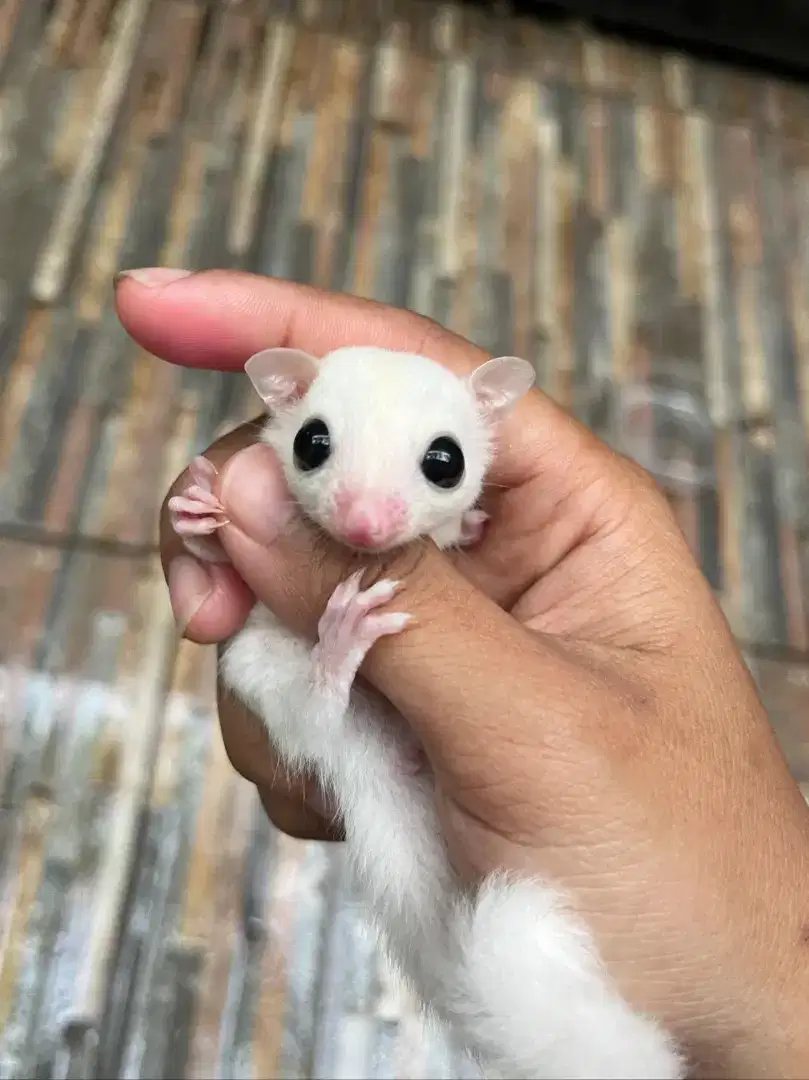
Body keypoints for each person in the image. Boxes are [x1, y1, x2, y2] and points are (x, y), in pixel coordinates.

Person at [116, 268, 809, 1078]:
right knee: (262, 659)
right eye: (317, 446)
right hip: (357, 746)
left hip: (420, 818)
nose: (368, 517)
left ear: (483, 437)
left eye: (437, 465)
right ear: (284, 402)